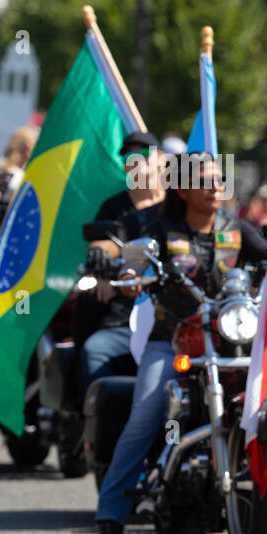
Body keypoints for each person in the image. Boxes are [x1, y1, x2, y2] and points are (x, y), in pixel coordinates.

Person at [94, 154, 267, 534]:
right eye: (205, 181)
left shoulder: (238, 228)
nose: (214, 187)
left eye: (219, 179)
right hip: (171, 339)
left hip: (230, 342)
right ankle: (111, 515)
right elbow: (131, 268)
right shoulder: (161, 230)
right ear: (182, 188)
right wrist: (126, 274)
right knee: (146, 411)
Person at [73, 132, 166, 389]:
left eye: (145, 155)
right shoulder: (116, 209)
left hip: (175, 313)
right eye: (129, 156)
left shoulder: (177, 206)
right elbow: (108, 241)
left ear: (161, 160)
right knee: (94, 349)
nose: (137, 161)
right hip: (126, 313)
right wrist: (102, 268)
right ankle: (94, 417)